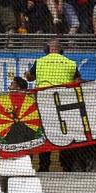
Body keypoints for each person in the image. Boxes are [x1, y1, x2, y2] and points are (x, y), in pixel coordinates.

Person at [24, 39, 80, 171]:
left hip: (44, 102)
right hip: (63, 103)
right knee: (65, 133)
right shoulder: (71, 63)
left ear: (47, 49)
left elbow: (29, 78)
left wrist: (27, 74)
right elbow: (78, 81)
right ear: (61, 50)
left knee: (46, 134)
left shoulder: (40, 62)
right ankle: (66, 166)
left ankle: (44, 166)